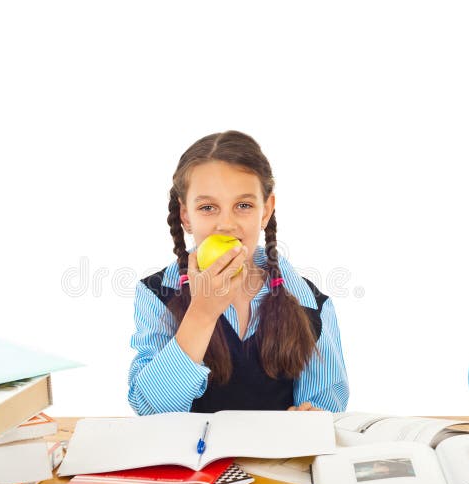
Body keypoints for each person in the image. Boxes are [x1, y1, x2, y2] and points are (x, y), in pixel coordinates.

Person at [127, 130, 349, 415]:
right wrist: (202, 314)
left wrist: (312, 416)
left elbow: (325, 412)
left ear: (266, 211)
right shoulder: (156, 295)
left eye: (243, 206)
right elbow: (150, 410)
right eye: (208, 207)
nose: (226, 224)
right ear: (186, 216)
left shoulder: (311, 305)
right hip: (193, 459)